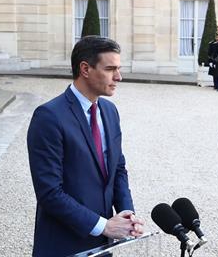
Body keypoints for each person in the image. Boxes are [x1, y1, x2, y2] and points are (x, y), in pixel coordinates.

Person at [27, 36, 144, 257]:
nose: (118, 77)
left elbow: (118, 169)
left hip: (104, 245)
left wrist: (127, 213)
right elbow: (49, 192)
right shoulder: (49, 117)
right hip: (63, 245)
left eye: (118, 69)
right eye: (110, 69)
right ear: (85, 69)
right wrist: (104, 225)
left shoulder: (110, 111)